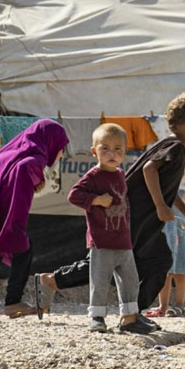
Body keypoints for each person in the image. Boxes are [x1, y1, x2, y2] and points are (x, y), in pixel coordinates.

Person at [35, 93, 185, 328]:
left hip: (143, 219)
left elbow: (169, 190)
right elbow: (149, 170)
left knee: (157, 260)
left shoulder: (170, 146)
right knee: (106, 260)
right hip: (132, 216)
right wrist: (159, 206)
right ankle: (53, 281)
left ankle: (132, 314)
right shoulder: (175, 146)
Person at [0, 119, 68, 321]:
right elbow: (18, 200)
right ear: (50, 142)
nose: (62, 153)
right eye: (61, 147)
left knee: (9, 251)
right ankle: (12, 302)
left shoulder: (17, 154)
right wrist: (14, 229)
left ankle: (13, 302)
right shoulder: (31, 162)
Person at [68, 124, 153, 334]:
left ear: (124, 152)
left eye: (117, 149)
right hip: (102, 240)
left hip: (123, 239)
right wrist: (95, 199)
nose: (111, 154)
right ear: (94, 151)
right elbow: (74, 195)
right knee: (100, 281)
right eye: (105, 148)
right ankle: (97, 318)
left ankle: (130, 317)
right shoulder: (93, 176)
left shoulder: (121, 175)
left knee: (131, 280)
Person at [145, 189, 185, 318]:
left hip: (182, 237)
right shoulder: (158, 194)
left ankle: (179, 305)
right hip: (164, 236)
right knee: (165, 273)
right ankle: (163, 306)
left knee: (180, 273)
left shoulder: (184, 195)